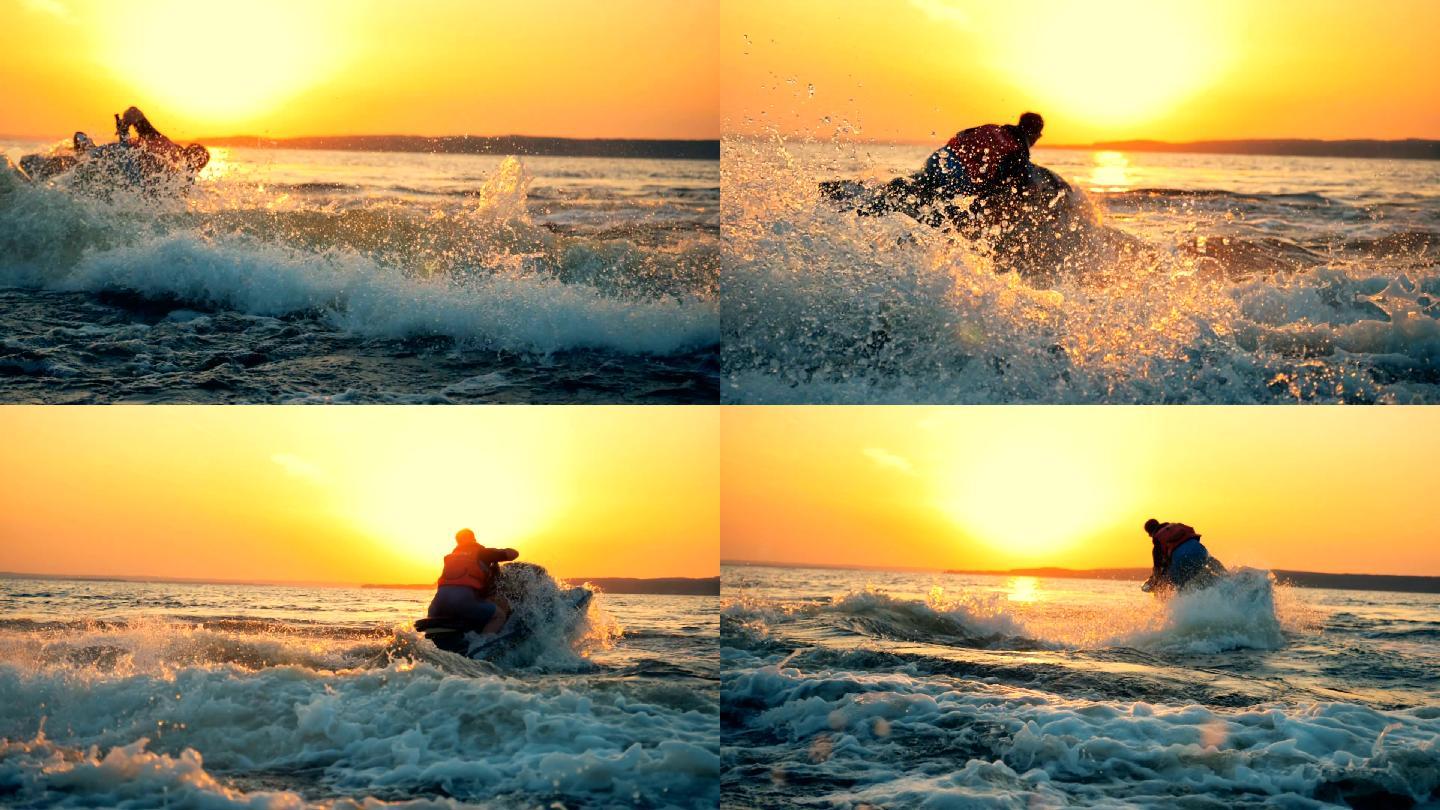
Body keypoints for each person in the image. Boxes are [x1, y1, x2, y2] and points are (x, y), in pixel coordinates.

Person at [426, 528, 519, 635]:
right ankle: (483, 644)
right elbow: (514, 554)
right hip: (464, 602)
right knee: (499, 616)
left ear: (458, 542)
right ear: (473, 538)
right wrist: (497, 553)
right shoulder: (483, 553)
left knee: (434, 622)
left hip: (437, 605)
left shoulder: (449, 557)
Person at [116, 106, 211, 174]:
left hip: (123, 164)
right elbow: (133, 112)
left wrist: (123, 130)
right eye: (198, 164)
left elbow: (133, 112)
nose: (196, 170)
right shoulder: (165, 144)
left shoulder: (179, 181)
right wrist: (124, 128)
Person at [1141, 518, 1226, 594]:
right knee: (1209, 560)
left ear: (1150, 533)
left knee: (1176, 583)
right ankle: (1226, 576)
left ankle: (1186, 599)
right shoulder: (1178, 526)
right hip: (1200, 551)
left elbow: (1157, 571)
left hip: (1180, 559)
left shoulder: (1157, 544)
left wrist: (1155, 582)